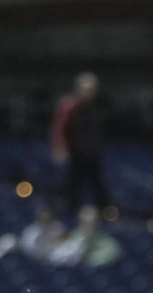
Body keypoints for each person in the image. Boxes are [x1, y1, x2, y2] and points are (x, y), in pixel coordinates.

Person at [50, 72, 110, 216]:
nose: (89, 93)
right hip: (75, 153)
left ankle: (104, 214)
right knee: (73, 186)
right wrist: (60, 147)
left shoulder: (96, 106)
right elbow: (59, 127)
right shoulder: (69, 105)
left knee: (98, 186)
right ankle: (70, 213)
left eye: (92, 90)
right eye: (86, 89)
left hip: (92, 153)